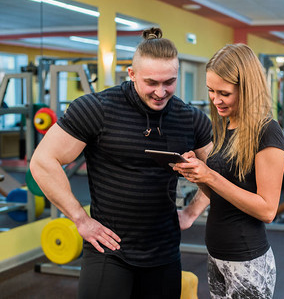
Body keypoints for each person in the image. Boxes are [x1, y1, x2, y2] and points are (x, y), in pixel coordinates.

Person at [30, 27, 212, 299]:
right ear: (132, 74)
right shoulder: (97, 108)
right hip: (108, 251)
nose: (161, 92)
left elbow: (217, 171)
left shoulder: (190, 118)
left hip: (164, 252)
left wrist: (192, 212)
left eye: (169, 82)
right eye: (151, 82)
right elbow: (43, 161)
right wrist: (80, 219)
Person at [174, 44, 284, 298]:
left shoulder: (267, 131)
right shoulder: (227, 126)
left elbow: (268, 210)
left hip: (247, 260)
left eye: (224, 93)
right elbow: (221, 197)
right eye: (211, 91)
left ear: (247, 88)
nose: (215, 100)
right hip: (217, 255)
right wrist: (197, 175)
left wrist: (211, 175)